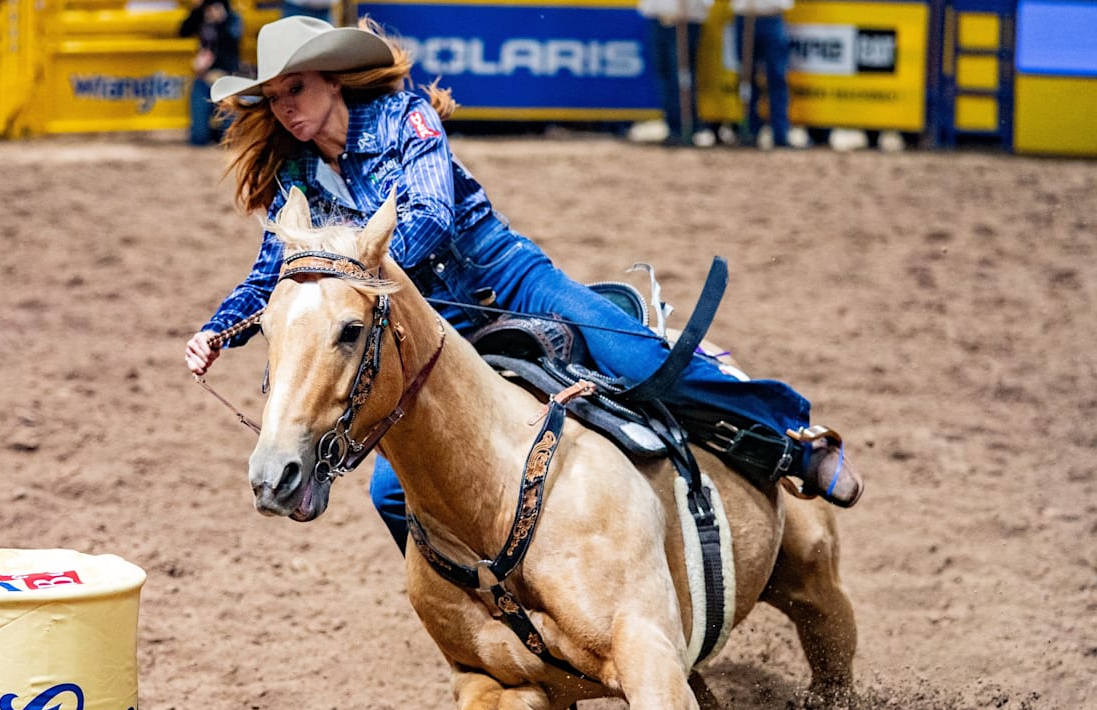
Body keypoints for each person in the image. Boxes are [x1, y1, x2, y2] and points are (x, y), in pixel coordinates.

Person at [183, 17, 863, 547]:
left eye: (294, 89)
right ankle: (470, 609)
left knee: (638, 357)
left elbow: (432, 214)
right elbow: (275, 274)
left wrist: (362, 268)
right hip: (431, 328)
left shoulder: (405, 120)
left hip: (504, 276)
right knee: (394, 493)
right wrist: (221, 329)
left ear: (332, 80)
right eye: (272, 99)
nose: (285, 110)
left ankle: (792, 441)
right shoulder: (295, 178)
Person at [637, 0, 715, 147]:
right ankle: (673, 127)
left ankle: (687, 127)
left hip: (686, 21)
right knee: (664, 76)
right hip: (658, 19)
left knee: (681, 77)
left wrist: (691, 10)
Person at [179, 0, 243, 147]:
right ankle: (210, 131)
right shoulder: (201, 14)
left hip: (226, 76)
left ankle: (218, 131)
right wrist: (196, 12)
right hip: (204, 77)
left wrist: (220, 22)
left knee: (229, 138)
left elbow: (232, 46)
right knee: (198, 138)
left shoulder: (233, 18)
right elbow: (183, 31)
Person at [730, 0, 792, 147]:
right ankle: (750, 130)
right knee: (746, 78)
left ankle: (780, 134)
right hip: (745, 17)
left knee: (777, 78)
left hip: (772, 16)